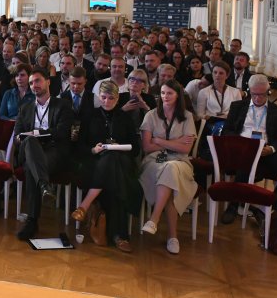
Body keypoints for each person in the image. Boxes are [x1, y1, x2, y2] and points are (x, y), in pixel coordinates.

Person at [219, 74, 277, 223]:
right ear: (249, 91)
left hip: (266, 151)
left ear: (268, 92)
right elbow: (227, 131)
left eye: (262, 94)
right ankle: (233, 205)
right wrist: (241, 142)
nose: (258, 98)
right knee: (247, 158)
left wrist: (271, 149)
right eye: (254, 94)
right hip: (243, 148)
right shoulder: (238, 106)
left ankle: (271, 206)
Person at [70, 81, 142, 252]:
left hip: (122, 163)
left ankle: (85, 205)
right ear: (99, 97)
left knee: (113, 157)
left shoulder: (124, 117)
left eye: (111, 98)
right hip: (95, 164)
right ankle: (121, 237)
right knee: (115, 176)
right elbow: (80, 147)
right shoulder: (90, 116)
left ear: (117, 99)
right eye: (104, 97)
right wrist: (93, 149)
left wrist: (119, 147)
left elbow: (136, 148)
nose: (107, 101)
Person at [139, 80, 197, 255]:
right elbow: (147, 147)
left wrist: (160, 141)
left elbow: (186, 149)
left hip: (180, 162)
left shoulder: (187, 116)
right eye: (163, 93)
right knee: (170, 176)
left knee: (171, 169)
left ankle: (154, 219)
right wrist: (174, 143)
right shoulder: (151, 115)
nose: (165, 96)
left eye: (169, 93)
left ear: (178, 95)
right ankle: (173, 237)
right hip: (154, 162)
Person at [14, 70, 73, 241]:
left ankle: (32, 222)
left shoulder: (62, 105)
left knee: (32, 167)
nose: (34, 85)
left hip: (53, 151)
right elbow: (17, 136)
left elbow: (62, 132)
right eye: (31, 83)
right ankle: (45, 186)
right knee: (31, 143)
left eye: (38, 81)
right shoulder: (25, 108)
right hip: (29, 149)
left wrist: (38, 132)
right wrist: (23, 137)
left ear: (48, 82)